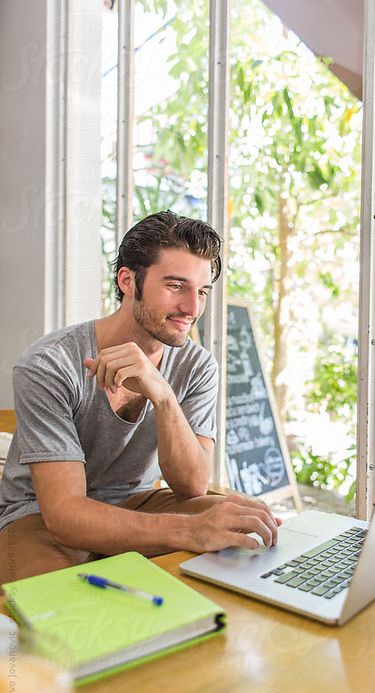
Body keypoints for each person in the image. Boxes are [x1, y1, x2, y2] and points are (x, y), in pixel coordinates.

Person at [0, 211, 280, 585]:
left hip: (135, 501)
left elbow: (192, 487)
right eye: (176, 286)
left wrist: (163, 395)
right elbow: (65, 514)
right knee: (54, 603)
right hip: (38, 516)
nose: (192, 309)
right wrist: (188, 532)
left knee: (244, 521)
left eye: (202, 291)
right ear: (129, 280)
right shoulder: (48, 365)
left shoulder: (197, 366)